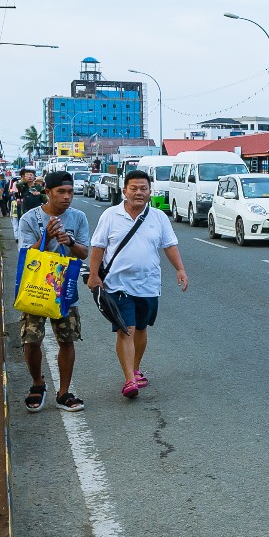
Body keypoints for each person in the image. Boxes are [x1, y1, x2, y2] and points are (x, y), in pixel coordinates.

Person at [85, 168, 187, 401]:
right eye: (134, 188)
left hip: (149, 284)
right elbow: (98, 247)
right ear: (124, 191)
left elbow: (169, 245)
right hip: (117, 285)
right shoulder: (110, 215)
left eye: (143, 188)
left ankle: (136, 368)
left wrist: (180, 269)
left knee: (141, 329)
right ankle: (129, 378)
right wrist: (94, 276)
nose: (139, 192)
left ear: (150, 191)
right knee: (126, 329)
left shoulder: (158, 217)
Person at [13, 169, 95, 413]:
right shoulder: (30, 218)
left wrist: (69, 242)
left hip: (64, 288)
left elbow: (83, 253)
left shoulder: (78, 217)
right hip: (35, 286)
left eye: (70, 192)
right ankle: (38, 384)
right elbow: (25, 255)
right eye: (61, 192)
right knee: (31, 339)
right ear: (47, 192)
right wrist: (47, 235)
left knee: (67, 339)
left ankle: (64, 392)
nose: (67, 196)